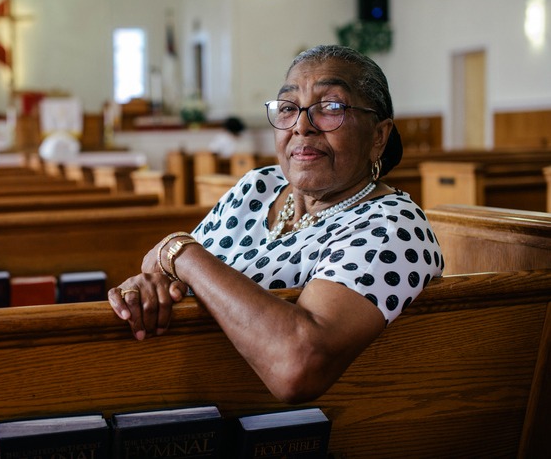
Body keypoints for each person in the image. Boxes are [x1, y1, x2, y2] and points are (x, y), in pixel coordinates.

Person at [108, 45, 444, 404]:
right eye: (288, 108)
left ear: (378, 136)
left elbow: (297, 366)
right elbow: (163, 269)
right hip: (181, 395)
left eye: (331, 107)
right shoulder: (259, 185)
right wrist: (150, 285)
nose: (302, 126)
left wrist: (181, 253)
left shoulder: (393, 228)